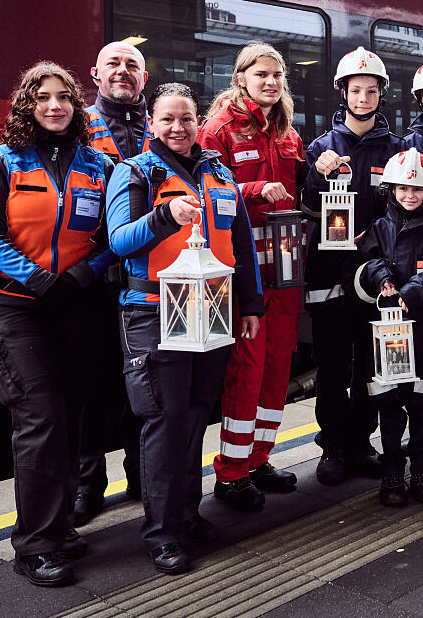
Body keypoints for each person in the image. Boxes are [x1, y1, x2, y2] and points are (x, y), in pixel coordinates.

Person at [106, 83, 264, 575]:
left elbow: (242, 242)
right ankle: (160, 532)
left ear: (200, 122)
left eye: (187, 119)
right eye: (168, 119)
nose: (178, 128)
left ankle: (186, 514)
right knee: (164, 419)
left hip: (212, 309)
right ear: (151, 123)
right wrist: (163, 216)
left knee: (197, 413)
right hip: (153, 311)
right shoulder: (134, 172)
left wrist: (251, 303)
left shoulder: (218, 171)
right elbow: (118, 241)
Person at [0, 62, 114, 586]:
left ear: (77, 107)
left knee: (73, 416)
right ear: (27, 105)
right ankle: (35, 546)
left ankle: (57, 525)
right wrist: (36, 278)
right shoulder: (2, 162)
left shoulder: (97, 166)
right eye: (43, 97)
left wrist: (82, 275)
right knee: (40, 420)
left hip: (75, 301)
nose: (55, 106)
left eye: (65, 98)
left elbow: (108, 237)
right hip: (14, 306)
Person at [199, 42, 305, 510]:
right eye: (261, 74)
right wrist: (256, 188)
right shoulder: (218, 129)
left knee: (279, 363)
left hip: (285, 266)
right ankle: (231, 472)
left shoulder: (288, 132)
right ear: (241, 78)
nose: (270, 82)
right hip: (247, 269)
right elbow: (204, 191)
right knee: (248, 365)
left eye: (277, 75)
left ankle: (259, 458)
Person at [302, 47, 407, 485]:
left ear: (382, 94)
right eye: (354, 90)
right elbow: (308, 208)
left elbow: (406, 206)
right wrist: (317, 174)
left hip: (376, 271)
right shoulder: (321, 148)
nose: (362, 97)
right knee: (330, 363)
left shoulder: (399, 149)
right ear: (342, 93)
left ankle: (363, 442)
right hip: (328, 272)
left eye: (371, 90)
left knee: (370, 362)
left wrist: (376, 233)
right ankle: (333, 446)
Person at [351, 148, 423, 506]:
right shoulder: (377, 230)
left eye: (416, 190)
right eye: (402, 189)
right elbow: (358, 269)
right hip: (386, 340)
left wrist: (421, 286)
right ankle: (391, 476)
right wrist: (379, 275)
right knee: (388, 407)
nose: (409, 195)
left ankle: (421, 472)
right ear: (391, 191)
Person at [73, 41, 150, 527]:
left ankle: (143, 473)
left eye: (133, 66)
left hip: (147, 282)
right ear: (95, 74)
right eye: (114, 65)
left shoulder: (164, 125)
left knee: (143, 382)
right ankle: (87, 483)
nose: (123, 72)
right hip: (92, 281)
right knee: (89, 384)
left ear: (144, 77)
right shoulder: (76, 124)